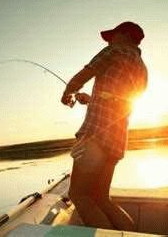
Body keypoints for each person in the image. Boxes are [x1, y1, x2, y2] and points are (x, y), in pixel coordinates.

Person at [61, 21, 148, 231]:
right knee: (101, 197)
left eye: (112, 35)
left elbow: (85, 73)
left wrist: (68, 92)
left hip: (95, 135)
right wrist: (90, 100)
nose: (109, 40)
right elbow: (119, 100)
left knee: (79, 195)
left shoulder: (114, 51)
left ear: (125, 34)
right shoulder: (142, 68)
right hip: (117, 141)